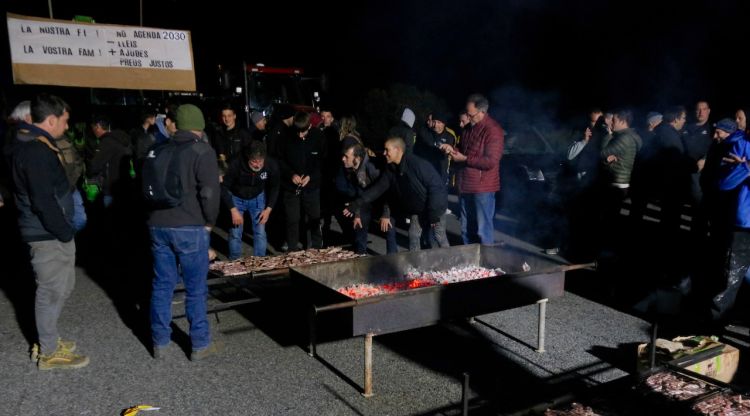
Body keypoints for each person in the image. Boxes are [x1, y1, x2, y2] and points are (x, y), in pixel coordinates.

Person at [10, 94, 89, 370]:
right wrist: (64, 232)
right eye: (65, 121)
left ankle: (49, 338)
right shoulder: (35, 151)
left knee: (61, 287)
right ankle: (49, 351)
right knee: (51, 291)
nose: (67, 127)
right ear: (52, 120)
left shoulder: (33, 143)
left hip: (48, 231)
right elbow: (43, 200)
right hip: (47, 233)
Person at [146, 104, 220, 360]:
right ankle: (199, 344)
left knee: (162, 285)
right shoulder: (202, 151)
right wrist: (209, 222)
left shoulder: (156, 148)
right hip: (189, 225)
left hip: (157, 225)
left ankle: (160, 342)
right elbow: (209, 193)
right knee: (195, 288)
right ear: (199, 126)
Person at [346, 137, 449, 250]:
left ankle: (451, 262)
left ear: (398, 150)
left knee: (438, 236)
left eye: (387, 150)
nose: (384, 153)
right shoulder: (391, 169)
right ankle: (416, 264)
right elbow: (377, 189)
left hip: (435, 206)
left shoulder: (416, 164)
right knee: (414, 235)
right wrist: (357, 203)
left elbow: (436, 187)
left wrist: (434, 213)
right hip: (418, 209)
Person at [441, 94, 504, 245]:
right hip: (465, 185)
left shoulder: (493, 130)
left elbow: (491, 161)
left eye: (471, 114)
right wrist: (453, 149)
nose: (468, 117)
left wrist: (465, 159)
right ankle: (470, 263)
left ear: (482, 112)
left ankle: (486, 262)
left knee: (482, 229)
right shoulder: (469, 129)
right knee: (465, 227)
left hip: (483, 188)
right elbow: (464, 150)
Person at [221, 140, 280, 259]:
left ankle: (260, 261)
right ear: (248, 157)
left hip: (257, 198)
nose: (257, 165)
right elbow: (223, 187)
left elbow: (275, 186)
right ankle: (235, 262)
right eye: (254, 161)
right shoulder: (235, 163)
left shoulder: (271, 164)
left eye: (260, 161)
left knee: (260, 232)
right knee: (235, 233)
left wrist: (268, 209)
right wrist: (232, 210)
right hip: (237, 198)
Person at [277, 111, 326, 251]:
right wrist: (291, 174)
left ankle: (316, 247)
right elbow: (280, 160)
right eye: (297, 131)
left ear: (309, 126)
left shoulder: (318, 137)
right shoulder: (286, 136)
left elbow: (322, 161)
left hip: (312, 186)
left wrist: (311, 176)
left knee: (314, 217)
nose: (300, 135)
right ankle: (292, 248)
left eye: (303, 132)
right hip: (291, 186)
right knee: (292, 218)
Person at [337, 141, 397, 254]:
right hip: (365, 200)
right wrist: (357, 214)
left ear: (357, 158)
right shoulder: (349, 169)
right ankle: (360, 255)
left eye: (346, 157)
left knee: (389, 227)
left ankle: (392, 259)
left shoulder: (372, 168)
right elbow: (356, 193)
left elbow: (387, 191)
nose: (343, 159)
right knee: (359, 225)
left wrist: (386, 214)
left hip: (383, 200)